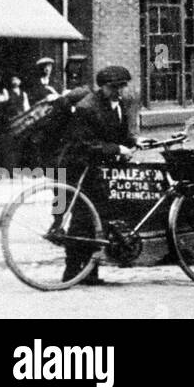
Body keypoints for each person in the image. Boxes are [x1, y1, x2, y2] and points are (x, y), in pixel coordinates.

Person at [58, 66, 139, 285]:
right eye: (114, 87)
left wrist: (132, 143)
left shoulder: (118, 104)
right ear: (102, 87)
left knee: (98, 220)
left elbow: (118, 134)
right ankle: (72, 271)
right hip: (78, 168)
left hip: (97, 169)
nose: (119, 91)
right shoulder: (87, 107)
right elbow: (85, 143)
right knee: (81, 221)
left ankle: (91, 272)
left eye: (122, 86)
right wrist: (117, 149)